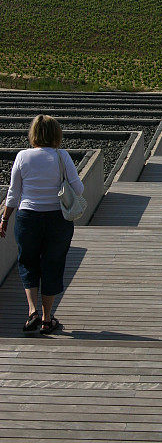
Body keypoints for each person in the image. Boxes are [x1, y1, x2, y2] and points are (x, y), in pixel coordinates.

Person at [0, 115, 83, 336]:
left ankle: (32, 311)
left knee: (28, 262)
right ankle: (47, 318)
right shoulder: (61, 156)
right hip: (57, 219)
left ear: (33, 133)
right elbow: (79, 189)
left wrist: (5, 219)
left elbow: (13, 193)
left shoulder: (22, 156)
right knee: (52, 264)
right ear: (56, 134)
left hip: (28, 217)